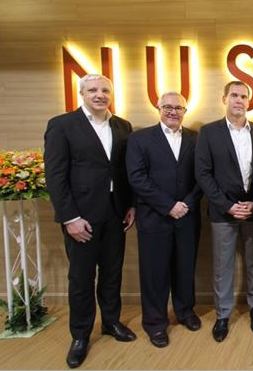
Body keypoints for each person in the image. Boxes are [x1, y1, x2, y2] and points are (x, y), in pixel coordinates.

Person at [44, 74, 136, 368]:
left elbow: (124, 172)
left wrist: (130, 205)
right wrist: (70, 217)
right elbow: (56, 177)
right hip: (80, 217)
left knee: (112, 273)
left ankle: (111, 322)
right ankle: (80, 335)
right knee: (81, 278)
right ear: (81, 93)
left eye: (105, 90)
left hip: (115, 213)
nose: (100, 94)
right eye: (93, 90)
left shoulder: (122, 126)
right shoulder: (62, 125)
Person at [126, 92, 202, 348]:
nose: (173, 111)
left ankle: (185, 312)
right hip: (154, 218)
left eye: (178, 108)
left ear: (185, 110)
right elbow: (137, 178)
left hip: (187, 218)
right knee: (154, 273)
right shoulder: (139, 139)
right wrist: (168, 206)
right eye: (167, 107)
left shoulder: (195, 138)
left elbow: (201, 177)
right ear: (158, 108)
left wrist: (187, 204)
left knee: (184, 269)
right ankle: (155, 323)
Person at [195, 81, 253, 342]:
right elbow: (203, 174)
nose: (239, 100)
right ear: (224, 98)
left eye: (243, 96)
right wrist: (226, 205)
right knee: (222, 266)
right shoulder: (208, 132)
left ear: (249, 101)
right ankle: (223, 315)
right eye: (234, 95)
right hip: (222, 211)